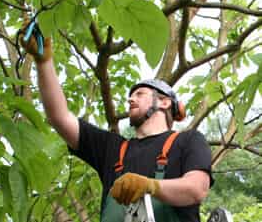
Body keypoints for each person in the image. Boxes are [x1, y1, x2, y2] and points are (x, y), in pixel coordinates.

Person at [20, 29, 214, 222]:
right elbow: (59, 117)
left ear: (164, 102)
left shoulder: (188, 140)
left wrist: (151, 187)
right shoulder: (112, 149)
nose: (130, 99)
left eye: (140, 94)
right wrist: (44, 62)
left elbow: (196, 189)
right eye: (131, 95)